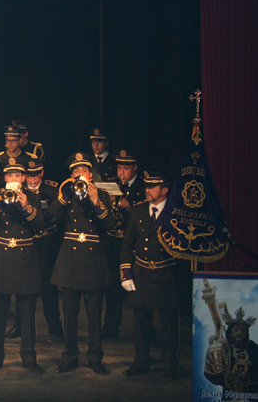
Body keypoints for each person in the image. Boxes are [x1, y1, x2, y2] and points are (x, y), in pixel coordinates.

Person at [50, 153, 115, 375]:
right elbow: (50, 215)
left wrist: (96, 201)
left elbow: (110, 224)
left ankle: (95, 358)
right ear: (71, 175)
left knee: (94, 314)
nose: (81, 175)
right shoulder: (66, 195)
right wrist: (63, 197)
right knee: (69, 313)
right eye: (76, 172)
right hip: (70, 259)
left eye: (84, 171)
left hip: (93, 258)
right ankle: (69, 356)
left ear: (91, 174)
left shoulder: (103, 195)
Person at [120, 171, 189, 379]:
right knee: (141, 321)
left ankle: (170, 365)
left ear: (165, 190)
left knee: (169, 324)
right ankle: (141, 361)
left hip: (167, 273)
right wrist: (126, 273)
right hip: (142, 272)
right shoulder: (138, 210)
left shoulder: (176, 212)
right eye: (146, 186)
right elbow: (127, 244)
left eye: (152, 187)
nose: (147, 190)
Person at [0, 158, 45, 375]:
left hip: (25, 258)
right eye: (10, 176)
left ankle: (28, 357)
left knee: (27, 313)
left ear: (24, 178)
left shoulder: (34, 197)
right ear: (5, 178)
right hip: (0, 258)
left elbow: (39, 224)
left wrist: (25, 205)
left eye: (18, 176)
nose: (14, 180)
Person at [102, 149, 146, 340]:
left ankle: (145, 333)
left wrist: (128, 205)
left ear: (134, 168)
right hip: (113, 242)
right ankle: (111, 328)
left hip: (134, 244)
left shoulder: (143, 186)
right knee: (112, 288)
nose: (121, 172)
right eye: (119, 167)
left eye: (125, 168)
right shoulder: (111, 183)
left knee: (137, 289)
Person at [22, 159, 63, 338]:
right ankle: (20, 325)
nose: (32, 179)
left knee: (48, 286)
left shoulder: (52, 189)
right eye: (29, 175)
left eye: (35, 175)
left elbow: (58, 214)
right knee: (22, 285)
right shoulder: (19, 190)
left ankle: (54, 324)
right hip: (26, 241)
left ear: (41, 174)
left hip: (46, 242)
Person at [204, 307, 258, 396]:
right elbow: (212, 375)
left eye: (243, 330)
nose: (239, 332)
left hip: (252, 395)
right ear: (230, 332)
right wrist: (213, 349)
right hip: (230, 395)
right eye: (236, 329)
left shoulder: (253, 348)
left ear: (246, 333)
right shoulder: (224, 346)